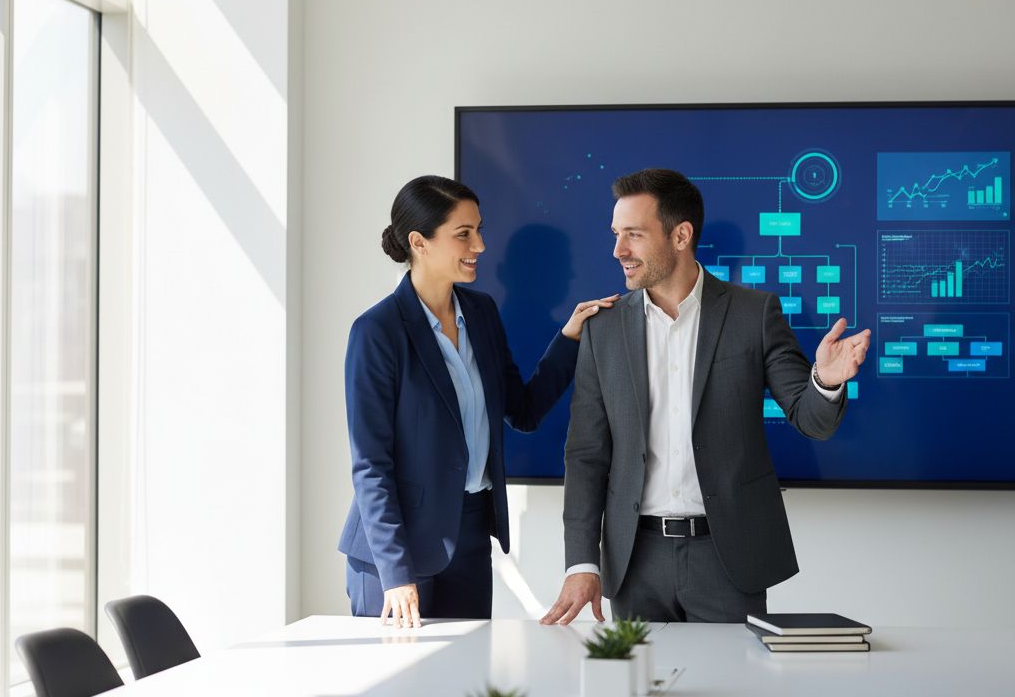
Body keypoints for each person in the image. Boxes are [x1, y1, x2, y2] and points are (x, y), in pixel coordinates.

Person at [541, 168, 871, 625]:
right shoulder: (603, 329)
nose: (618, 251)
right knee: (640, 693)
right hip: (634, 559)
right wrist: (581, 563)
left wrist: (828, 381)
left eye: (633, 235)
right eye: (617, 235)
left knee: (734, 694)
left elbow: (810, 417)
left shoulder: (754, 314)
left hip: (729, 556)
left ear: (681, 235)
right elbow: (585, 455)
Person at [340, 175, 617, 628]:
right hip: (395, 552)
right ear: (419, 242)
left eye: (479, 230)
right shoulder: (377, 331)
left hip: (468, 537)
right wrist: (395, 572)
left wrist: (569, 339)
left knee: (461, 688)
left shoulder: (482, 312)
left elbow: (522, 411)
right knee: (400, 694)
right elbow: (371, 464)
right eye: (464, 234)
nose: (481, 245)